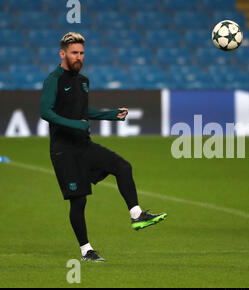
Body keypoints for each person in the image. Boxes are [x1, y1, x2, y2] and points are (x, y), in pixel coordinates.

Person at [40, 32, 167, 262]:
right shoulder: (53, 80)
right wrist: (74, 124)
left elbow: (83, 113)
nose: (78, 57)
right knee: (79, 201)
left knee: (122, 166)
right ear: (62, 54)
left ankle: (136, 215)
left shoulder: (83, 81)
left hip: (83, 145)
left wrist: (110, 115)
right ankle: (86, 250)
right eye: (74, 53)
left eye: (81, 53)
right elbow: (45, 112)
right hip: (64, 151)